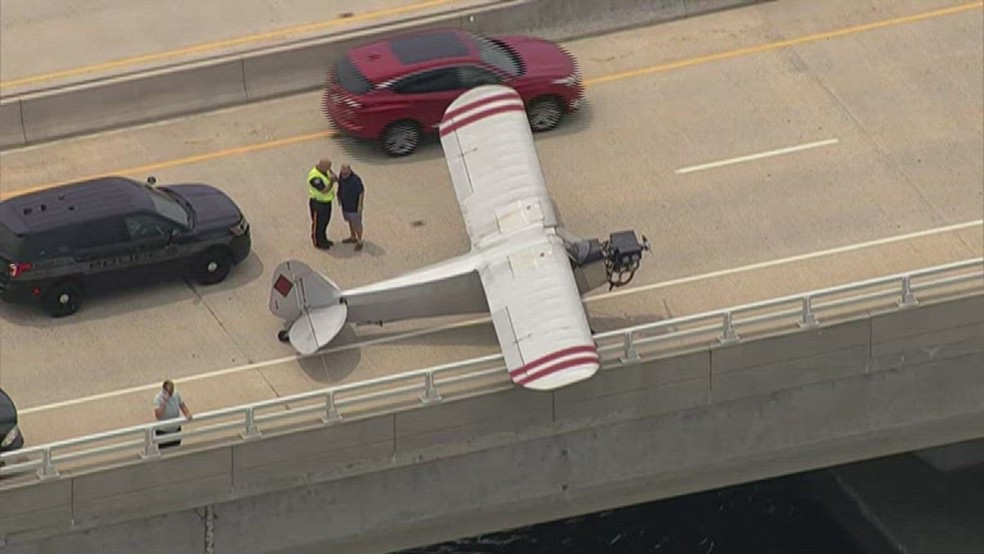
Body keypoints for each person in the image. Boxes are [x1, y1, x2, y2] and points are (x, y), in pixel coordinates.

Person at [153, 379, 192, 450]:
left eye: (172, 391)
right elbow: (158, 415)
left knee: (176, 449)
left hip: (175, 429)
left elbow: (182, 405)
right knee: (164, 451)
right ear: (164, 390)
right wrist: (164, 403)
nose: (171, 394)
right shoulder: (158, 398)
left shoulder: (176, 394)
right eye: (169, 392)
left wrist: (187, 413)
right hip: (163, 431)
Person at [307, 158, 337, 250]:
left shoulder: (326, 170)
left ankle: (324, 239)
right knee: (318, 224)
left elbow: (335, 177)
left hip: (327, 202)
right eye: (327, 167)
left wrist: (333, 177)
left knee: (325, 222)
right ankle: (317, 242)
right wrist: (331, 182)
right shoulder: (314, 177)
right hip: (318, 203)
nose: (329, 169)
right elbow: (324, 190)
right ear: (322, 166)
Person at [338, 164, 365, 251]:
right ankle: (353, 237)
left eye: (345, 173)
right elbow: (340, 184)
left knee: (357, 223)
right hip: (345, 205)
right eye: (342, 172)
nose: (343, 175)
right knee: (350, 221)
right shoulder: (341, 176)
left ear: (350, 170)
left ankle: (360, 241)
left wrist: (360, 205)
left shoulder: (355, 180)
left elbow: (361, 192)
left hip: (354, 207)